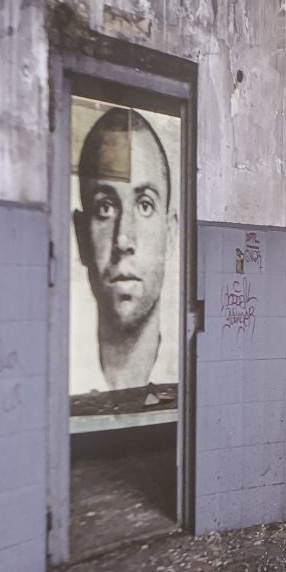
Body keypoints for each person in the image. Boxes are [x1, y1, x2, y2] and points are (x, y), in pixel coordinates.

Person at [72, 106, 173, 391]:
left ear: (172, 232)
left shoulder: (189, 381)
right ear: (80, 236)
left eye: (144, 205)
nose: (124, 240)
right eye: (105, 208)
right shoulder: (67, 381)